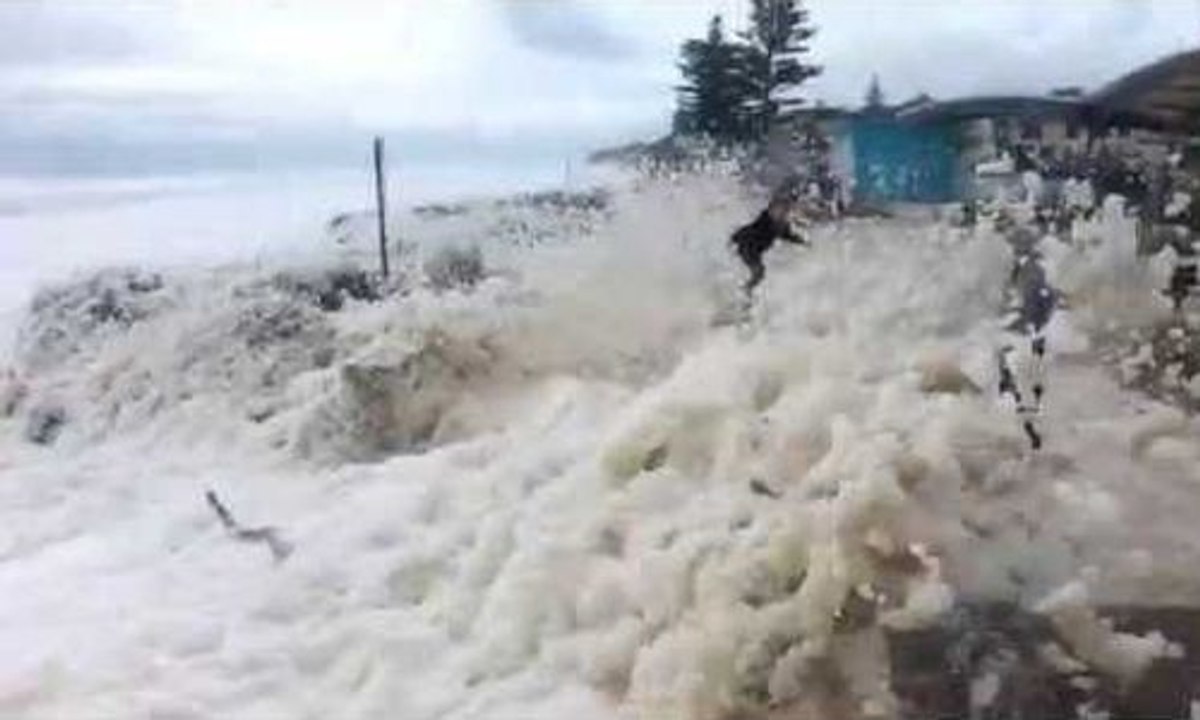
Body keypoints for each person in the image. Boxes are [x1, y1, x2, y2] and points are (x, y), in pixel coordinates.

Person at [730, 189, 807, 298]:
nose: (783, 212)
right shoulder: (765, 218)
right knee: (759, 271)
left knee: (759, 274)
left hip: (756, 250)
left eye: (786, 210)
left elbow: (788, 236)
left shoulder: (782, 223)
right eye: (780, 209)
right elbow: (748, 230)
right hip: (746, 245)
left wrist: (802, 242)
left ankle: (746, 292)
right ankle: (744, 292)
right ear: (771, 208)